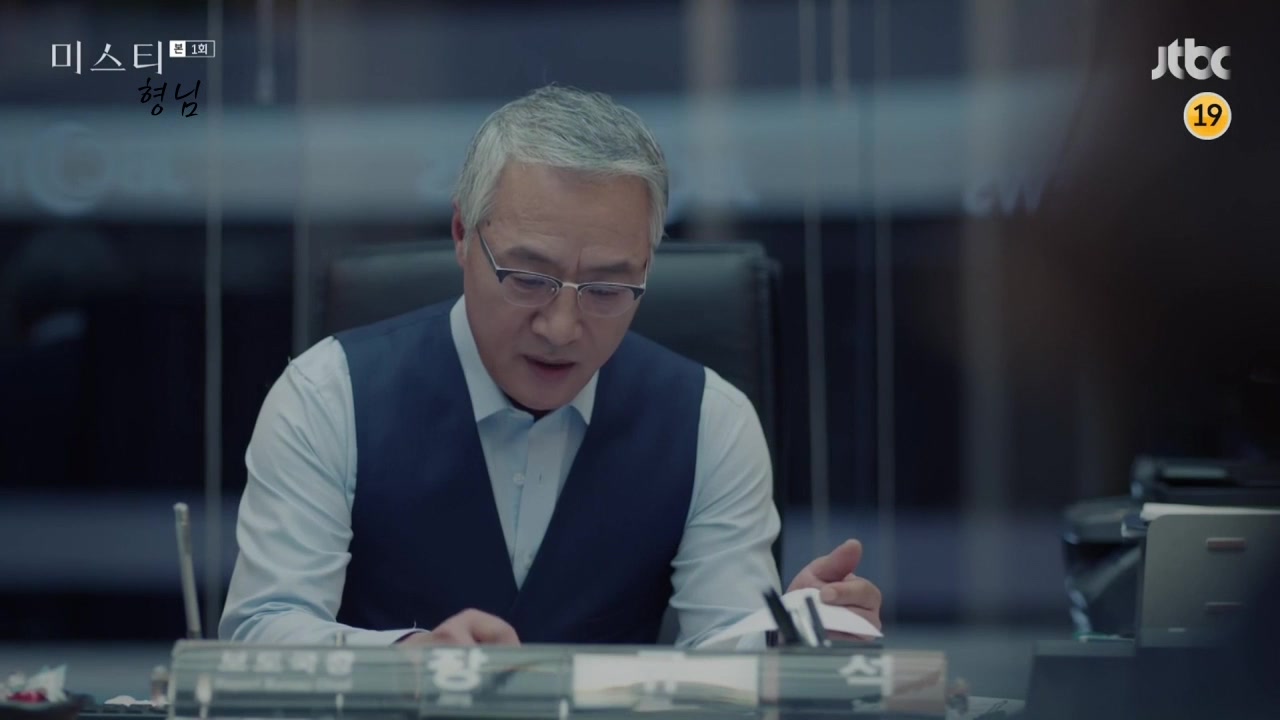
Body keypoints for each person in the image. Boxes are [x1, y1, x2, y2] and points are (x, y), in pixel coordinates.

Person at [218, 85, 882, 648]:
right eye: (528, 278)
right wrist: (407, 661)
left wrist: (790, 638)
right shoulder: (327, 394)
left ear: (647, 267)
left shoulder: (713, 420)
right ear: (462, 235)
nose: (561, 329)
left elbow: (723, 658)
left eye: (607, 288)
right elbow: (260, 631)